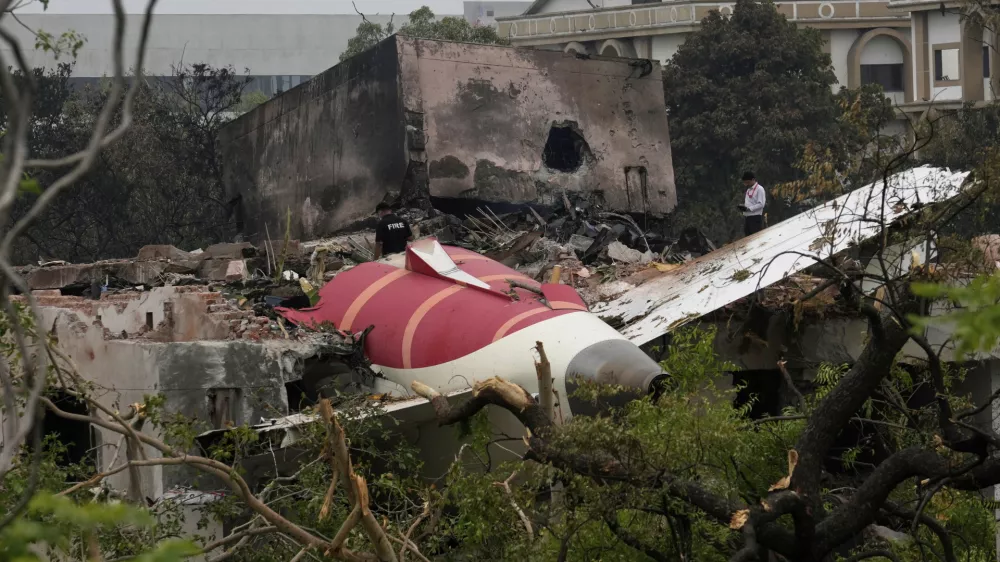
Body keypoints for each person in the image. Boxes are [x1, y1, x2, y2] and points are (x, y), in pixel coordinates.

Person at [737, 172, 766, 237]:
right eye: (745, 183)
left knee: (756, 238)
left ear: (753, 180)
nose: (747, 184)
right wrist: (743, 207)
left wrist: (749, 208)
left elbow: (761, 204)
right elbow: (750, 203)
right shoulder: (748, 190)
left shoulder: (759, 189)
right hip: (747, 217)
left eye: (748, 182)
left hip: (755, 218)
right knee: (748, 239)